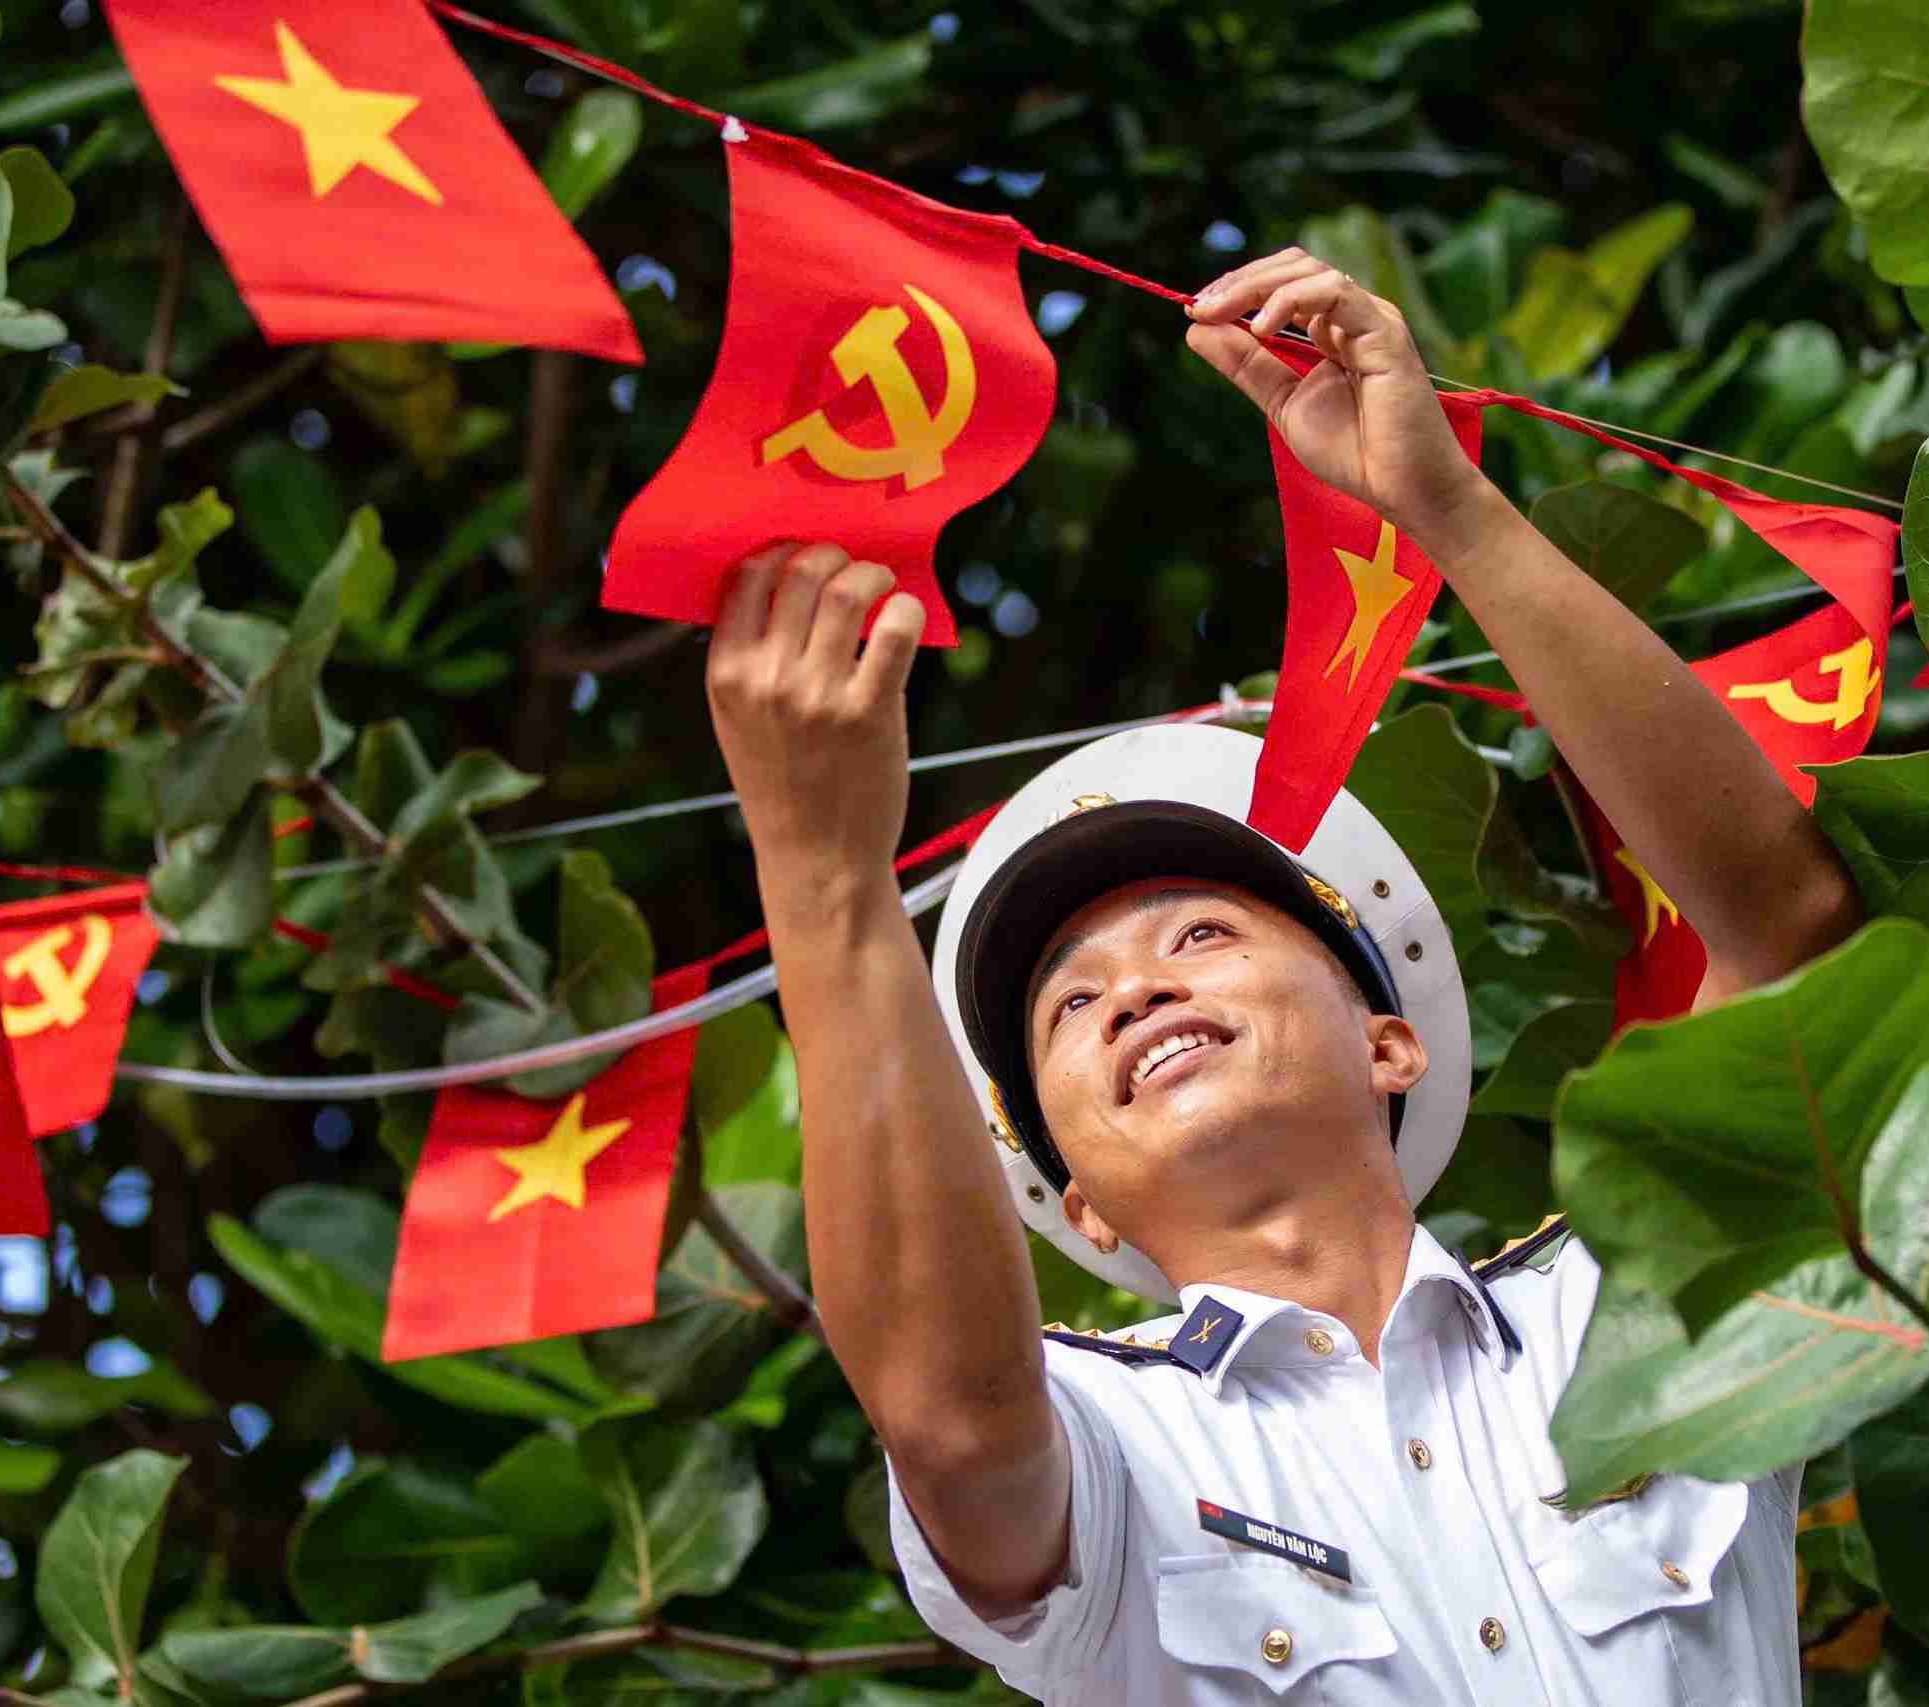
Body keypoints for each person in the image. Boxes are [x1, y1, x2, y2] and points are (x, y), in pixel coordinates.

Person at [702, 249, 1865, 1705]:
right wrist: (822, 878)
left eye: (1202, 936)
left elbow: (1784, 925)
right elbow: (953, 1424)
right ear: (1075, 1198)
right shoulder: (1112, 1448)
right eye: (1071, 1006)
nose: (1134, 991)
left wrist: (1444, 506)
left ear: (1390, 1043)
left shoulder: (1624, 1309)